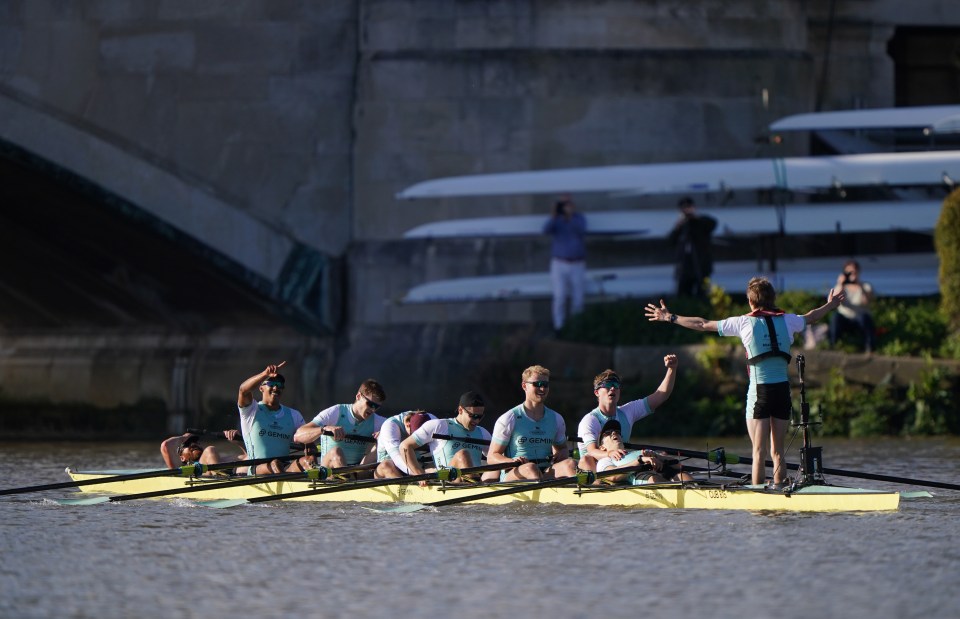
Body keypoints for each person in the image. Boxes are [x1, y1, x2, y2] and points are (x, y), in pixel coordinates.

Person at [644, 277, 844, 488]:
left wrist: (670, 317)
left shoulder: (743, 322)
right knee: (778, 452)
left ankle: (758, 499)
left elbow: (702, 324)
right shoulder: (788, 320)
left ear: (751, 301)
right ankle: (781, 491)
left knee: (759, 451)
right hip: (782, 392)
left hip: (760, 392)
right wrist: (830, 305)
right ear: (773, 299)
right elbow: (811, 317)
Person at [576, 355, 679, 472]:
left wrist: (672, 369)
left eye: (616, 386)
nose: (613, 389)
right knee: (587, 459)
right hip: (595, 467)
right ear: (596, 392)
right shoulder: (590, 420)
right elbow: (592, 451)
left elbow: (661, 395)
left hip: (619, 464)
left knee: (662, 456)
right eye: (608, 385)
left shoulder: (627, 411)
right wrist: (610, 453)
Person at [487, 365, 578, 481]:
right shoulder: (509, 418)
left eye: (545, 385)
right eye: (537, 384)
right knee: (531, 468)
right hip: (516, 472)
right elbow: (492, 457)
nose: (542, 389)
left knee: (570, 464)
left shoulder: (556, 418)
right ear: (524, 386)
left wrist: (561, 454)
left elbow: (563, 449)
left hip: (545, 472)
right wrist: (511, 461)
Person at [400, 391, 500, 484]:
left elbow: (494, 457)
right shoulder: (439, 426)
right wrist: (420, 475)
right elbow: (405, 446)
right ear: (460, 410)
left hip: (476, 481)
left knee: (497, 464)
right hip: (447, 480)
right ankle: (475, 486)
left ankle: (482, 485)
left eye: (480, 417)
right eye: (473, 416)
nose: (477, 421)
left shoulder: (482, 432)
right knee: (463, 454)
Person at [293, 379, 386, 472]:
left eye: (376, 407)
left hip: (357, 471)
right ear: (358, 396)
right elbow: (298, 436)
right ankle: (349, 480)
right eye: (370, 404)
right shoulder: (336, 412)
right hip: (328, 470)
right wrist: (323, 429)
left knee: (385, 442)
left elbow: (399, 431)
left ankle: (353, 478)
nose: (372, 410)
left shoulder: (377, 421)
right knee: (336, 451)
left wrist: (385, 434)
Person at [236, 362, 312, 475]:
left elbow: (308, 442)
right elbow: (243, 390)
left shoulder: (294, 415)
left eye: (280, 385)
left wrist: (311, 451)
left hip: (284, 467)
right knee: (275, 463)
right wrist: (265, 374)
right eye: (271, 383)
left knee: (308, 461)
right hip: (257, 469)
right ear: (261, 388)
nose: (276, 387)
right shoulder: (251, 410)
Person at [593, 419, 692, 485]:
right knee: (654, 478)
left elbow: (678, 465)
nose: (614, 433)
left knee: (683, 476)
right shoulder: (604, 461)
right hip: (641, 476)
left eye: (617, 432)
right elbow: (613, 476)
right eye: (608, 433)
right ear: (602, 447)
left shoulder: (635, 453)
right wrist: (640, 460)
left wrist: (658, 457)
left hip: (662, 471)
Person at [543, 195, 587, 333]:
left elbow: (582, 230)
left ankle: (576, 327)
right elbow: (545, 230)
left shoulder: (579, 218)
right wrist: (554, 216)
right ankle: (559, 326)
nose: (567, 206)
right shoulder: (556, 221)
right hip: (559, 264)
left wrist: (570, 218)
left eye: (569, 203)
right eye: (564, 204)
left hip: (577, 263)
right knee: (560, 296)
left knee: (578, 298)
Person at [667, 196, 717, 299]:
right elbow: (670, 241)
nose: (686, 210)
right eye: (683, 208)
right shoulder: (681, 226)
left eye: (688, 207)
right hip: (685, 267)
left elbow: (713, 223)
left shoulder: (701, 222)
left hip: (701, 265)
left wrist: (695, 218)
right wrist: (678, 226)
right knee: (683, 295)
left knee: (702, 294)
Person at [829, 259, 876, 353]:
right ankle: (833, 347)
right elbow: (831, 302)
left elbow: (866, 301)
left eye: (854, 272)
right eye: (849, 272)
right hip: (844, 318)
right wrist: (840, 284)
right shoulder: (841, 287)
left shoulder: (866, 286)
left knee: (865, 318)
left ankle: (870, 347)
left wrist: (859, 285)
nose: (852, 274)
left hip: (859, 318)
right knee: (835, 317)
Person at [374, 410, 436, 479]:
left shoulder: (433, 421)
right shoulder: (390, 426)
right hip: (393, 468)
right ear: (407, 425)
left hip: (419, 464)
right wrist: (421, 473)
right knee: (386, 466)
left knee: (439, 467)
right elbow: (397, 459)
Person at [160, 430, 246, 475]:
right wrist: (183, 438)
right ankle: (221, 475)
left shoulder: (220, 459)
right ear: (182, 458)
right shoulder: (180, 469)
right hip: (199, 476)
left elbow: (251, 457)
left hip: (234, 476)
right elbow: (166, 446)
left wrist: (239, 443)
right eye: (187, 444)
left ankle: (222, 474)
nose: (194, 444)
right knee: (209, 450)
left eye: (196, 442)